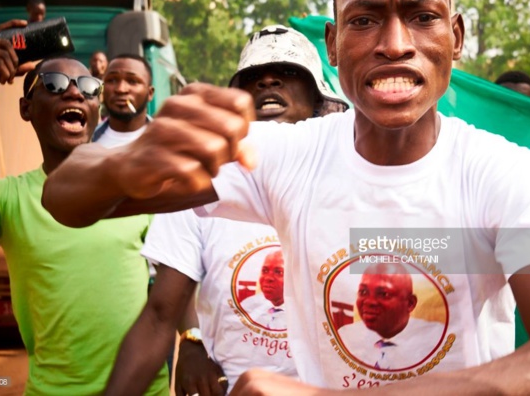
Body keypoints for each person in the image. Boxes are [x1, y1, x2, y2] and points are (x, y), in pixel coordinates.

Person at [43, 0, 530, 394]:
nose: (394, 44)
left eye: (422, 17)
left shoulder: (513, 175)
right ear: (335, 45)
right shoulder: (285, 155)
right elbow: (65, 196)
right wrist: (126, 162)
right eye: (365, 20)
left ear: (455, 38)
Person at [104, 25, 348, 396]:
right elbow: (159, 314)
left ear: (317, 101)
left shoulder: (348, 180)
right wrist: (191, 339)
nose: (268, 81)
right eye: (253, 78)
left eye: (287, 72)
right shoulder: (199, 186)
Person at [0, 30, 168, 395]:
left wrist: (196, 339)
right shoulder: (5, 198)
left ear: (95, 109)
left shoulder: (136, 185)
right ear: (26, 108)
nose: (74, 92)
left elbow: (176, 286)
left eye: (88, 86)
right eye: (53, 84)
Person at [337, 263, 445, 370]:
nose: (369, 301)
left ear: (410, 303)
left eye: (384, 294)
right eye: (363, 292)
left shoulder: (436, 337)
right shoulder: (346, 336)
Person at [92, 54, 154, 147]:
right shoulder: (88, 141)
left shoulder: (168, 141)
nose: (120, 89)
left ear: (150, 93)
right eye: (112, 80)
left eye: (132, 81)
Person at [240, 250, 287, 330]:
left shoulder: (306, 312)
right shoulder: (247, 305)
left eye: (279, 272)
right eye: (265, 271)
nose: (268, 278)